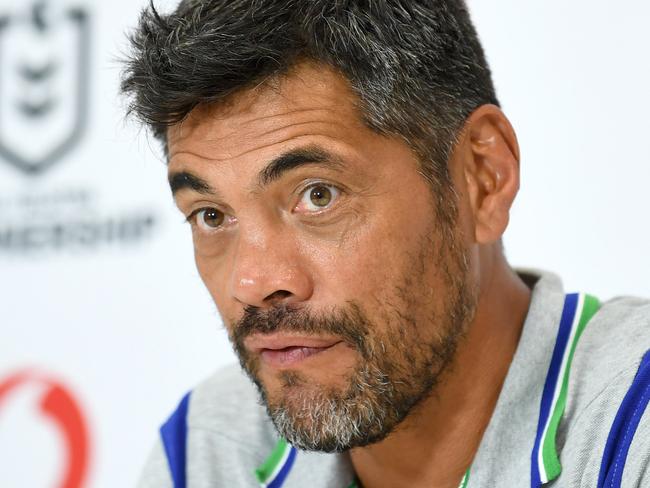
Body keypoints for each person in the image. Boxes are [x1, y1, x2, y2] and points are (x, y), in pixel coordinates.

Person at [121, 1, 650, 487]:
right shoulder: (208, 451)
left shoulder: (633, 419)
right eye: (211, 215)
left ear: (482, 178)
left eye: (318, 195)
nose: (253, 284)